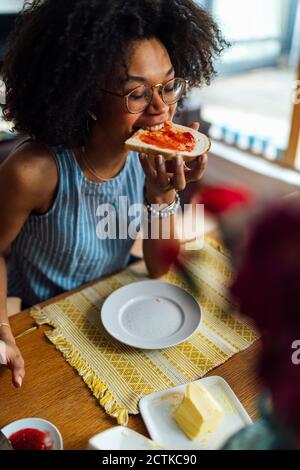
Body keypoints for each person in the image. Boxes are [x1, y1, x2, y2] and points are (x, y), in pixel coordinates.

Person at [0, 0, 227, 387]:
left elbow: (158, 268)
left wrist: (160, 198)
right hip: (46, 329)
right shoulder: (33, 172)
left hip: (120, 315)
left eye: (169, 86)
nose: (161, 109)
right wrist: (2, 327)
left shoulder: (147, 159)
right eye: (137, 94)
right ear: (85, 94)